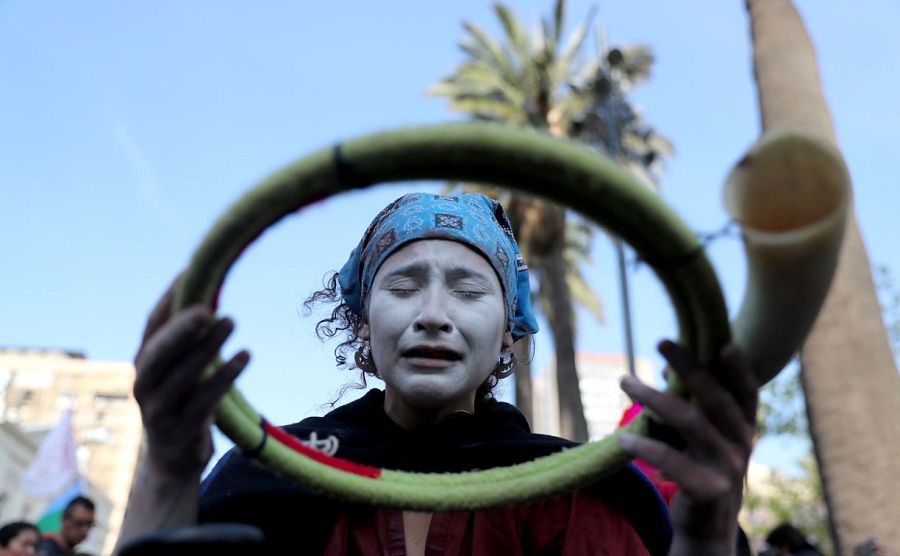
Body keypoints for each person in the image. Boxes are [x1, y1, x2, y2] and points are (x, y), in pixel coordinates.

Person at [115, 192, 758, 555]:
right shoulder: (268, 474)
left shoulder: (578, 493)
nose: (432, 315)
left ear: (507, 331)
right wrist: (166, 467)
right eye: (403, 286)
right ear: (363, 322)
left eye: (468, 291)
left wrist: (706, 539)